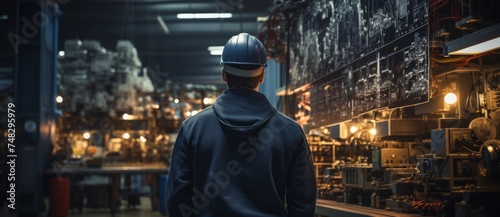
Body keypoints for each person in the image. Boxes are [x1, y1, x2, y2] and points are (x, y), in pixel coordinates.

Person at [166, 33, 316, 217]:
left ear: (223, 74)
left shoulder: (193, 128)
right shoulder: (291, 132)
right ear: (262, 75)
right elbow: (303, 202)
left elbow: (177, 197)